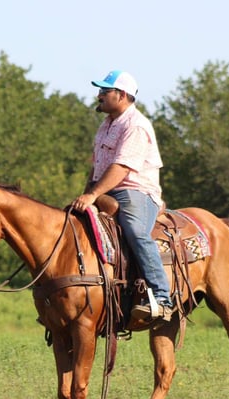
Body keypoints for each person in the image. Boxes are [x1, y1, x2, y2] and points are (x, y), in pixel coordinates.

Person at [71, 69, 174, 322]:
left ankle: (162, 298)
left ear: (122, 95)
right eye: (100, 90)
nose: (99, 95)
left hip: (136, 192)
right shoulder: (106, 125)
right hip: (105, 190)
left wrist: (93, 194)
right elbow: (97, 167)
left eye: (105, 91)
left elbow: (121, 168)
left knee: (135, 231)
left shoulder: (136, 125)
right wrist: (86, 194)